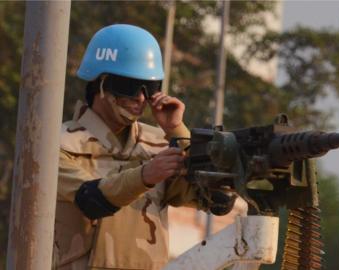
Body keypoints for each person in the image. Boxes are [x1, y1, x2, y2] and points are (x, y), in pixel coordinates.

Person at [54, 24, 234, 270]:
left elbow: (216, 199)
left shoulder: (160, 144)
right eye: (129, 87)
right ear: (101, 84)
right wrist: (146, 176)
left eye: (149, 88)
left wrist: (176, 130)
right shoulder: (58, 144)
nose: (140, 99)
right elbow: (91, 200)